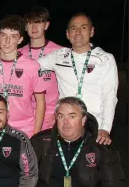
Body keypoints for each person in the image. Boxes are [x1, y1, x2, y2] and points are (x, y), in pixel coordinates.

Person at [31, 97, 128, 187]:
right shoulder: (41, 142)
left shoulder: (101, 147)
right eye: (61, 116)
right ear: (55, 119)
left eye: (72, 116)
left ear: (83, 120)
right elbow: (25, 172)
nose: (66, 122)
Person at [36, 12, 118, 145]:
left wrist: (105, 128)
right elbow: (30, 65)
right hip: (65, 126)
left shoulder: (105, 59)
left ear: (91, 32)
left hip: (94, 128)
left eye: (83, 27)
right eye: (73, 28)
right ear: (67, 34)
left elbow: (110, 95)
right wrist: (1, 48)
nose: (78, 32)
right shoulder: (58, 56)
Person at [0, 15, 46, 138]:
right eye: (3, 35)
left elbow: (40, 102)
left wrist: (36, 134)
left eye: (13, 37)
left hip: (25, 128)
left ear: (20, 39)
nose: (7, 41)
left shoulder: (32, 66)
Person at [19, 6, 62, 131]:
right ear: (25, 27)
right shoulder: (18, 53)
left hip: (51, 117)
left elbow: (69, 86)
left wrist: (59, 113)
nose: (34, 27)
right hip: (25, 117)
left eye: (38, 22)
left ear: (46, 25)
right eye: (30, 23)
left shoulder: (59, 52)